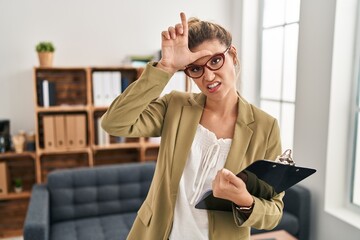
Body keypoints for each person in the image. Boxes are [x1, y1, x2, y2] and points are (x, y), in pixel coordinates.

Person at [101, 12, 284, 240]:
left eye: (215, 60)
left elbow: (274, 212)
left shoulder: (265, 128)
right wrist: (165, 67)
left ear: (233, 55)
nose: (208, 77)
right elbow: (114, 122)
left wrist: (244, 200)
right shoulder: (175, 106)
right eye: (196, 69)